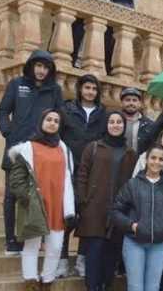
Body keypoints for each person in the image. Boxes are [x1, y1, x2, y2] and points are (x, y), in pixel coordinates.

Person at [0, 50, 63, 255]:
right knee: (11, 195)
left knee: (40, 195)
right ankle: (11, 241)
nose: (41, 71)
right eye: (38, 66)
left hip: (42, 150)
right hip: (16, 149)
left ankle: (36, 239)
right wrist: (9, 132)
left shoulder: (55, 90)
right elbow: (2, 111)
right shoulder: (17, 85)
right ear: (31, 66)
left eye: (46, 67)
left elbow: (59, 117)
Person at [7, 110, 75, 291]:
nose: (52, 123)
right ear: (41, 122)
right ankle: (30, 283)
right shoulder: (28, 147)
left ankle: (47, 283)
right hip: (35, 204)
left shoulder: (64, 149)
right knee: (32, 246)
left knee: (55, 247)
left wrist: (70, 208)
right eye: (48, 120)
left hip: (57, 205)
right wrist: (27, 198)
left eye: (56, 121)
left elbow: (69, 179)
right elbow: (16, 179)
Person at [76, 112, 138, 291]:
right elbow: (82, 174)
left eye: (119, 122)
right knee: (94, 255)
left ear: (124, 126)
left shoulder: (130, 153)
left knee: (111, 256)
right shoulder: (94, 147)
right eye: (112, 122)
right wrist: (83, 201)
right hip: (94, 210)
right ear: (107, 124)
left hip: (119, 212)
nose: (116, 125)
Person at [112, 145, 163, 291]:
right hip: (134, 242)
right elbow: (116, 211)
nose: (156, 162)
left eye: (161, 159)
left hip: (159, 245)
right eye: (153, 158)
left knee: (153, 287)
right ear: (146, 159)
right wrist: (132, 226)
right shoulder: (132, 184)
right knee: (135, 287)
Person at [58, 74, 107, 277]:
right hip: (68, 169)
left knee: (87, 217)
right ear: (80, 89)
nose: (90, 92)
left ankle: (81, 260)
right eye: (87, 88)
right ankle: (61, 261)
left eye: (94, 89)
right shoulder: (67, 109)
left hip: (91, 173)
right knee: (66, 217)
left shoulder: (103, 114)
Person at [120, 88, 163, 155]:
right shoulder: (114, 121)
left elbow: (156, 130)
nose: (131, 103)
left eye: (134, 100)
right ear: (121, 103)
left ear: (139, 103)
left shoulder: (148, 124)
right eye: (128, 100)